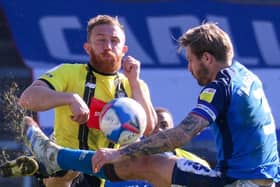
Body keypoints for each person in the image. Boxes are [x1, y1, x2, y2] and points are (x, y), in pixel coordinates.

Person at [11, 22, 280, 187]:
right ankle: (55, 158)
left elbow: (179, 134)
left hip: (239, 183)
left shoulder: (220, 86)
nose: (189, 69)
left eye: (191, 61)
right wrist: (68, 98)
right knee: (156, 166)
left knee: (147, 162)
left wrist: (117, 154)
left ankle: (56, 156)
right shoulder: (246, 76)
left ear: (207, 58)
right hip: (255, 179)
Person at [0, 15, 157, 187]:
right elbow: (27, 99)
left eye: (114, 41)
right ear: (87, 48)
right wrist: (69, 98)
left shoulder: (134, 84)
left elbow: (148, 129)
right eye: (100, 40)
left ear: (124, 49)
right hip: (64, 166)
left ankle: (41, 164)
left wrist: (134, 82)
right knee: (69, 171)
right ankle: (50, 159)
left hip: (99, 172)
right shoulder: (69, 72)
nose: (108, 46)